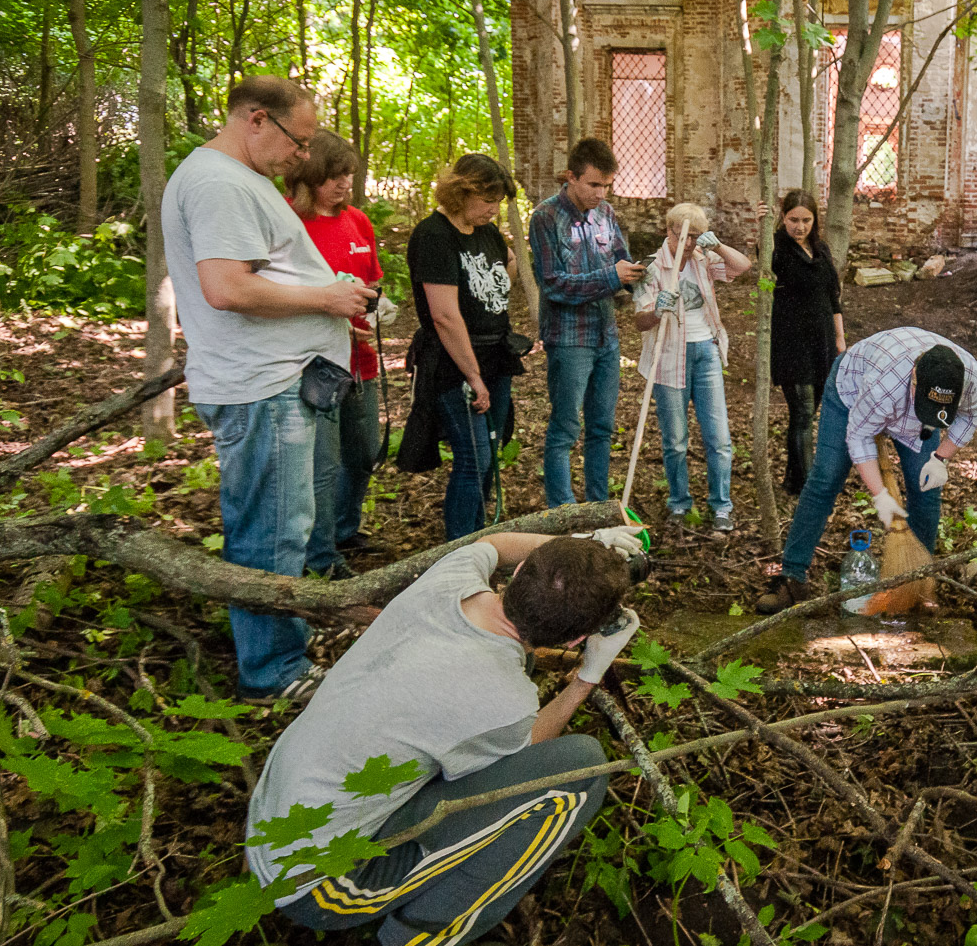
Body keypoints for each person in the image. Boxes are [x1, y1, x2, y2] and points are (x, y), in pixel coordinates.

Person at [245, 525, 646, 944]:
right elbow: (530, 751)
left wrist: (586, 542)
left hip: (272, 823)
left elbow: (492, 543)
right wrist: (588, 675)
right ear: (580, 638)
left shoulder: (449, 577)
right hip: (319, 885)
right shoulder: (503, 699)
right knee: (579, 770)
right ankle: (421, 934)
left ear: (522, 569)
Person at [162, 75, 378, 704]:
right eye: (298, 140)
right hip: (261, 388)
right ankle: (273, 671)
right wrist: (328, 296)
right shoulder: (218, 182)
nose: (304, 156)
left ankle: (280, 642)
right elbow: (227, 288)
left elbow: (267, 273)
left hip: (281, 380)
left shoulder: (243, 181)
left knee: (290, 523)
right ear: (256, 119)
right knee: (272, 532)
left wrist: (331, 305)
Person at [756, 327, 977, 614]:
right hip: (852, 392)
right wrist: (881, 496)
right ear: (914, 379)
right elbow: (859, 438)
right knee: (825, 479)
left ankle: (915, 582)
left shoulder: (969, 378)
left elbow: (972, 416)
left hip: (913, 425)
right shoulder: (883, 385)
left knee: (926, 491)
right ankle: (791, 577)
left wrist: (940, 458)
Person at [406, 154, 533, 541]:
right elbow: (445, 316)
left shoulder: (487, 232)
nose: (493, 210)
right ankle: (459, 549)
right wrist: (473, 376)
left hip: (497, 353)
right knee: (472, 456)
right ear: (461, 192)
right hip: (455, 362)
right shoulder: (434, 236)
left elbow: (508, 262)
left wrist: (491, 288)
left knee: (490, 453)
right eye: (487, 200)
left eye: (498, 202)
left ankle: (479, 538)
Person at [284, 128, 390, 562]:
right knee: (323, 466)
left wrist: (376, 306)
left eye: (348, 174)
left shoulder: (358, 220)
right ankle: (322, 557)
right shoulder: (290, 223)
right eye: (333, 176)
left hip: (360, 360)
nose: (344, 183)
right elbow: (281, 294)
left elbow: (372, 279)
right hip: (315, 363)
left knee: (363, 453)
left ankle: (346, 530)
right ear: (310, 176)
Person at [528, 139, 648, 508]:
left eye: (607, 185)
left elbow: (621, 261)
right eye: (594, 184)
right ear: (571, 177)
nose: (601, 193)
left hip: (605, 336)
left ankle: (597, 507)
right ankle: (562, 510)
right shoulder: (545, 217)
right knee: (566, 429)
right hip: (568, 338)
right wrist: (613, 277)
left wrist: (645, 273)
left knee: (601, 428)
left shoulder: (606, 214)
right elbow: (554, 284)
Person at [632, 203, 752, 531]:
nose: (687, 243)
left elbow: (742, 267)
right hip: (668, 357)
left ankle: (721, 506)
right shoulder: (652, 267)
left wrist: (717, 245)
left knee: (719, 436)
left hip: (706, 353)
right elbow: (640, 322)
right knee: (675, 439)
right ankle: (679, 502)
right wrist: (657, 310)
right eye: (681, 235)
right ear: (668, 231)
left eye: (694, 237)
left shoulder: (702, 258)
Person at [765, 191, 845, 495]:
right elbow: (763, 261)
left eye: (806, 220)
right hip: (791, 342)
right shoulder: (777, 248)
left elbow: (833, 298)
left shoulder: (820, 249)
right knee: (801, 410)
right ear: (783, 218)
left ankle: (794, 479)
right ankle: (809, 482)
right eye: (793, 219)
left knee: (811, 412)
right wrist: (761, 223)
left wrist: (840, 338)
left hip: (822, 341)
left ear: (815, 220)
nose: (800, 226)